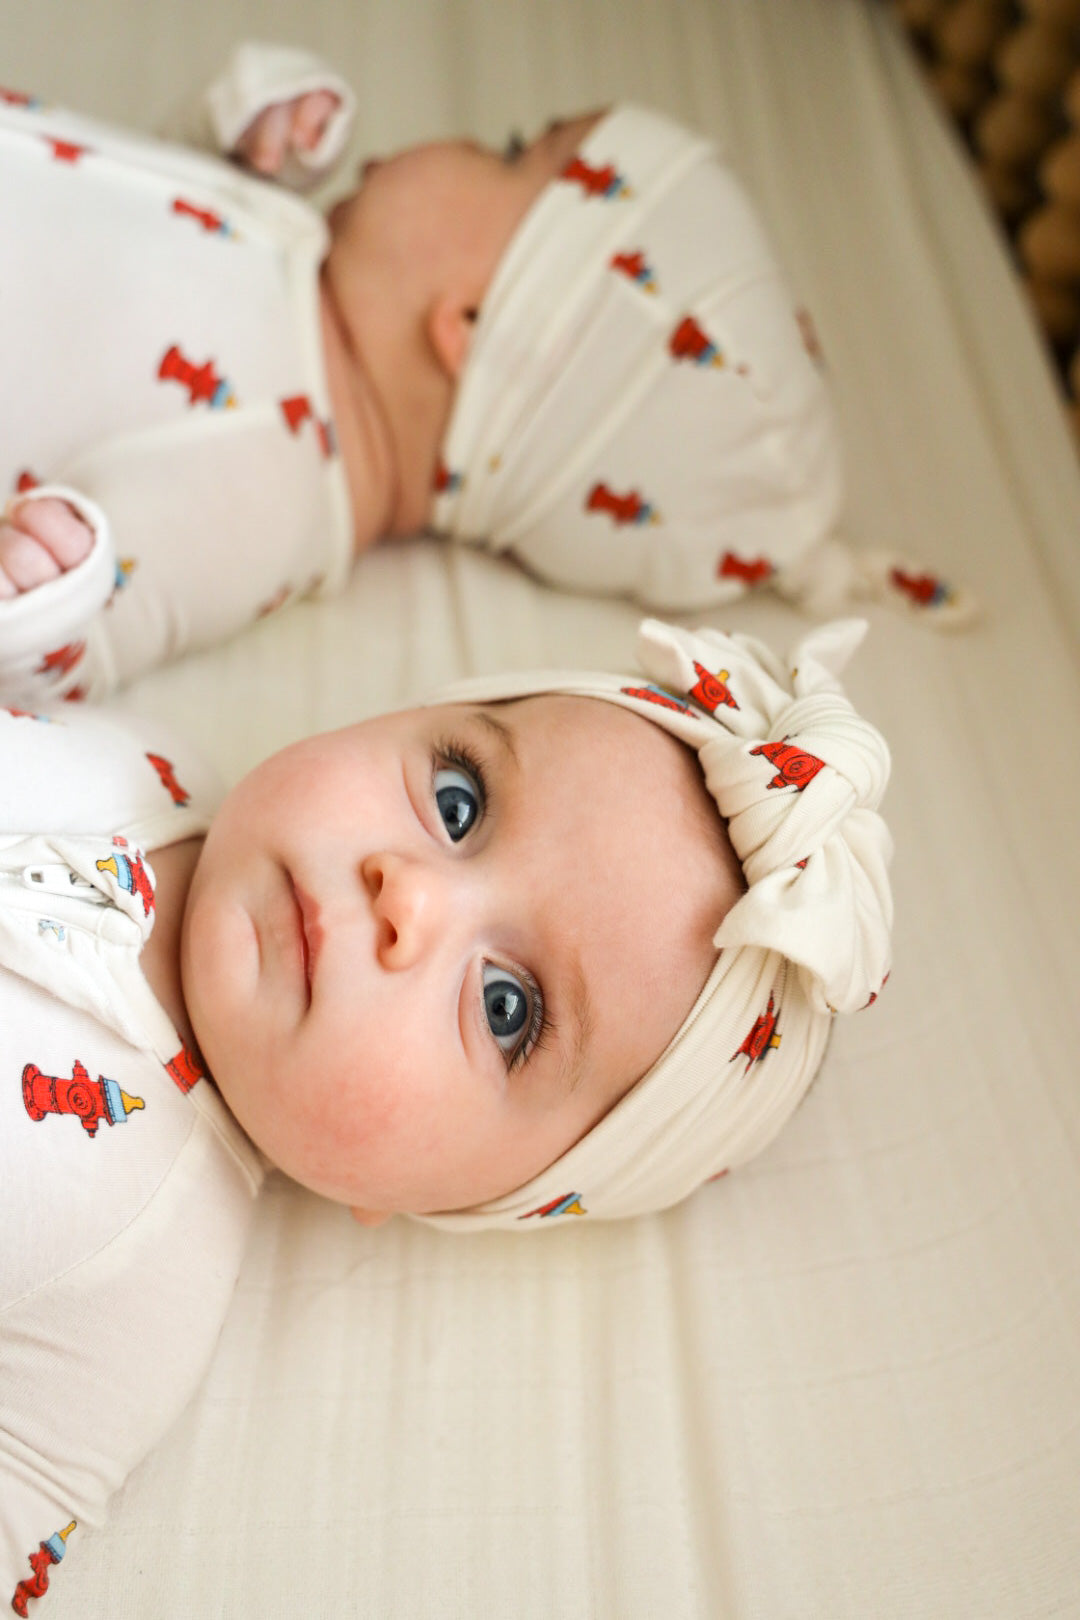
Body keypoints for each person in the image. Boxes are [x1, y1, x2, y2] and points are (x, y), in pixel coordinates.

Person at [0, 563, 893, 1606]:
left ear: (444, 1196)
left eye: (506, 1007)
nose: (408, 895)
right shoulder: (151, 765)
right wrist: (43, 597)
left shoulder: (144, 1276)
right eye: (458, 801)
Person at [7, 39, 951, 708]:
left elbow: (91, 639)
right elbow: (125, 201)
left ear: (466, 323)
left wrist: (46, 595)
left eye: (511, 154)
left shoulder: (270, 489)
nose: (461, 138)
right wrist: (237, 143)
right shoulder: (292, 272)